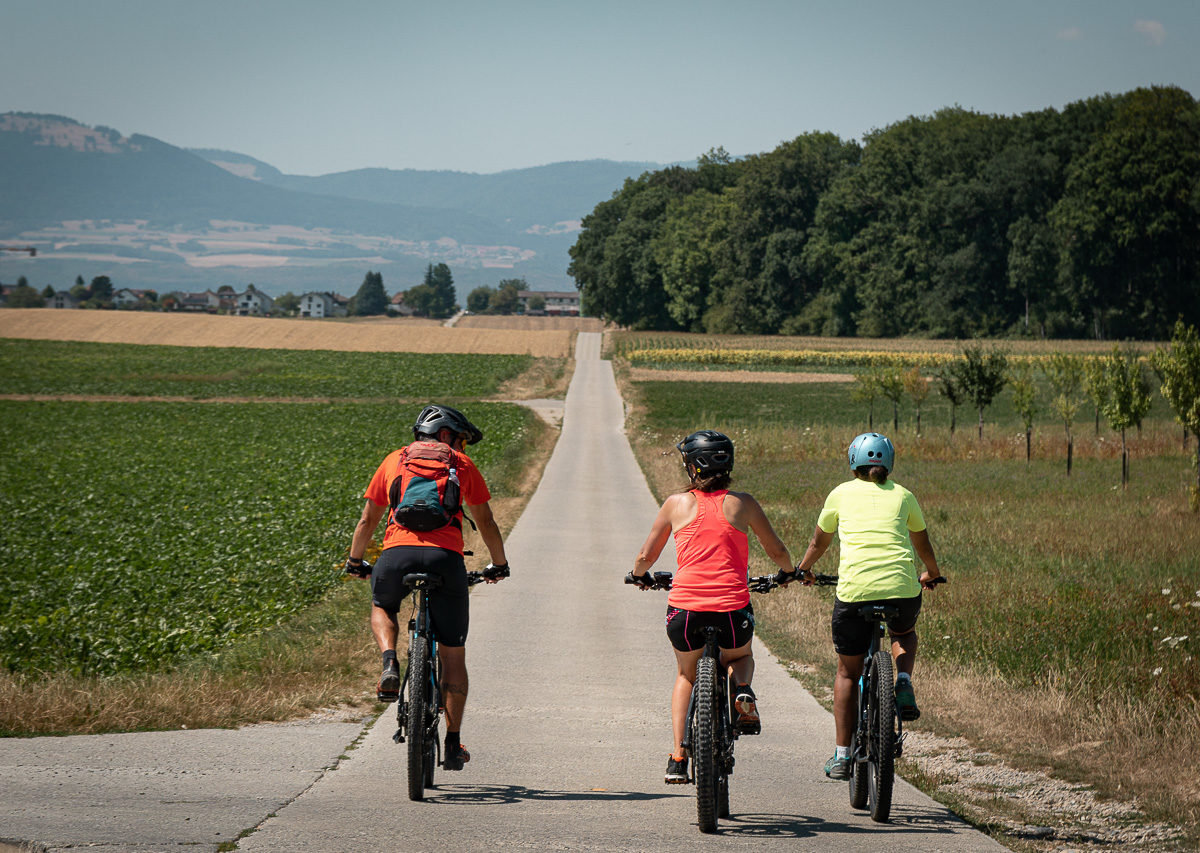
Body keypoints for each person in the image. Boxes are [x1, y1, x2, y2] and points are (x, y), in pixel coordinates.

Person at [344, 404, 509, 772]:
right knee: (453, 654)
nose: (462, 448)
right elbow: (486, 521)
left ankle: (389, 661)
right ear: (447, 435)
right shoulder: (460, 466)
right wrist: (499, 564)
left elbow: (368, 519)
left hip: (396, 555)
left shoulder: (394, 461)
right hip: (444, 560)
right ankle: (452, 743)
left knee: (384, 607)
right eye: (460, 440)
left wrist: (355, 561)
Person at [628, 430, 795, 785]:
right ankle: (743, 690)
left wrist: (638, 574)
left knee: (687, 674)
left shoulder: (676, 504)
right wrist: (789, 572)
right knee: (740, 657)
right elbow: (777, 550)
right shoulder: (743, 503)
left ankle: (677, 756)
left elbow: (646, 555)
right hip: (732, 611)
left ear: (691, 467)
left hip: (685, 612)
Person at [792, 432, 943, 781]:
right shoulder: (905, 496)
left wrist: (804, 570)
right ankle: (902, 679)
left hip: (855, 592)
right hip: (902, 590)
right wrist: (932, 574)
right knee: (903, 632)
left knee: (848, 672)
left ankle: (842, 755)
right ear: (889, 463)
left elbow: (819, 541)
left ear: (853, 462)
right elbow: (922, 542)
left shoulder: (840, 494)